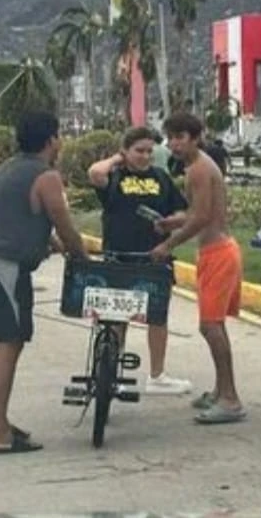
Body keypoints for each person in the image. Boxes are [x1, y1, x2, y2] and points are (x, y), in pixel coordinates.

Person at [0, 111, 88, 455]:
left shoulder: (10, 167)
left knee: (14, 340)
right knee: (7, 343)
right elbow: (63, 224)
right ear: (52, 140)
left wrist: (53, 245)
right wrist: (80, 255)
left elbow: (22, 218)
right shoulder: (45, 176)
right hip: (0, 267)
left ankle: (1, 423)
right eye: (60, 135)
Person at [150, 112, 245, 424]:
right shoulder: (197, 167)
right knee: (213, 324)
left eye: (181, 137)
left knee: (210, 326)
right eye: (171, 137)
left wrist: (168, 244)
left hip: (218, 252)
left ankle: (230, 398)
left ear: (195, 137)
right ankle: (221, 391)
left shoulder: (199, 170)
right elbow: (199, 212)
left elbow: (202, 218)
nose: (174, 144)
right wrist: (172, 221)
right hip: (214, 251)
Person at [88, 127, 192, 395]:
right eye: (139, 151)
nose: (146, 156)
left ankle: (157, 375)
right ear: (126, 152)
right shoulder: (115, 176)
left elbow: (182, 211)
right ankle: (111, 370)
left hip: (154, 255)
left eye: (149, 151)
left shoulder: (161, 178)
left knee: (157, 315)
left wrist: (171, 222)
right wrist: (116, 160)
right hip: (118, 256)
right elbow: (95, 173)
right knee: (115, 318)